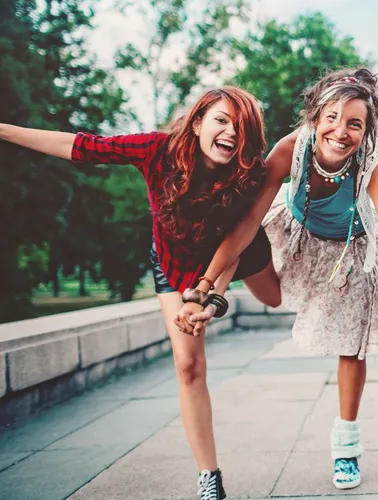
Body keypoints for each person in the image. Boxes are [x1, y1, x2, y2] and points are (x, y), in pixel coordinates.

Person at [180, 68, 378, 491]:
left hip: (352, 247)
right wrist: (207, 282)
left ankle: (346, 442)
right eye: (331, 117)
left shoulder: (371, 166)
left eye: (354, 123)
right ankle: (208, 300)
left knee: (351, 345)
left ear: (367, 130)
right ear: (313, 117)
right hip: (297, 235)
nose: (340, 131)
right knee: (260, 277)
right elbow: (249, 221)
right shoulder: (290, 150)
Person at [0, 87, 276, 500]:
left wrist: (210, 295)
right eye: (222, 121)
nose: (232, 134)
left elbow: (232, 247)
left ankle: (288, 236)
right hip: (173, 263)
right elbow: (79, 146)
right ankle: (209, 478)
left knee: (274, 299)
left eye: (242, 128)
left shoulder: (246, 175)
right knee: (188, 365)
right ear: (198, 122)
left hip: (235, 250)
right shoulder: (156, 151)